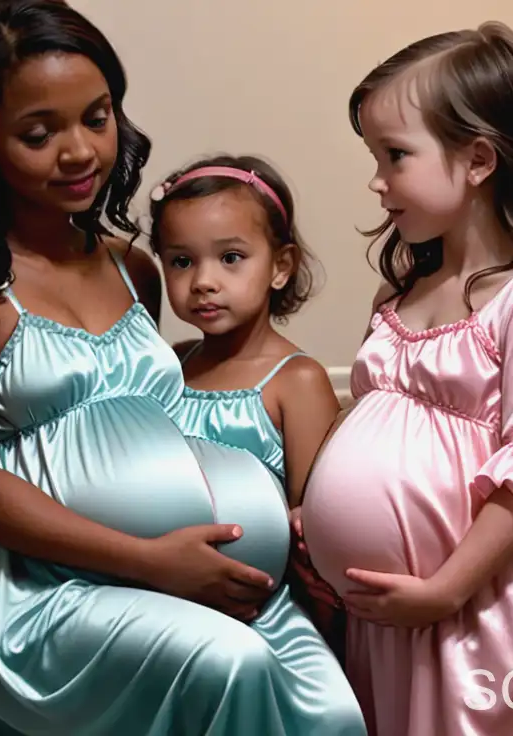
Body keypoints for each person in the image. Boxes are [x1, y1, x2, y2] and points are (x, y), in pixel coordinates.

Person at [0, 2, 365, 733]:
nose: (80, 151)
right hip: (27, 594)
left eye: (96, 116)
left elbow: (154, 431)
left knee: (333, 708)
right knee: (230, 663)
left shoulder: (133, 269)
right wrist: (150, 560)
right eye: (38, 132)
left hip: (170, 573)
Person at [297, 23, 513, 735]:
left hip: (476, 606)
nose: (377, 180)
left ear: (478, 160)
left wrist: (443, 590)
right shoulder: (400, 296)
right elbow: (373, 424)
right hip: (392, 610)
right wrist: (320, 511)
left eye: (394, 156)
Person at [146, 154, 356, 660]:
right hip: (165, 591)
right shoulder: (170, 365)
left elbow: (312, 526)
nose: (204, 281)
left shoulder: (296, 381)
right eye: (181, 261)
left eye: (231, 258)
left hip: (255, 607)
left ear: (280, 267)